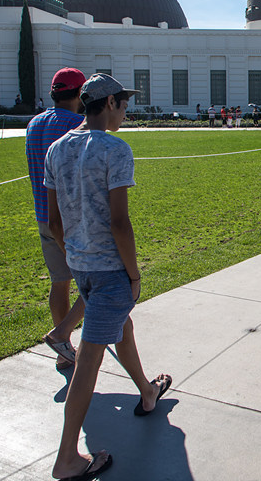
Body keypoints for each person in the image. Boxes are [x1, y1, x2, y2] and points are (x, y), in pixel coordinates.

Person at [45, 73, 171, 480]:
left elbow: (53, 220)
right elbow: (120, 222)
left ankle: (147, 393)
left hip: (81, 265)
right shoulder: (115, 149)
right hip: (110, 270)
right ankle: (67, 459)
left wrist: (76, 252)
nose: (126, 111)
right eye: (124, 103)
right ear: (111, 103)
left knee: (123, 326)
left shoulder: (56, 149)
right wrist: (133, 274)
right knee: (88, 362)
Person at [25, 68, 88, 371]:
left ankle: (64, 352)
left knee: (59, 281)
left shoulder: (34, 124)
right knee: (98, 281)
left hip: (43, 215)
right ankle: (63, 335)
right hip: (72, 218)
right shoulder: (78, 124)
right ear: (79, 94)